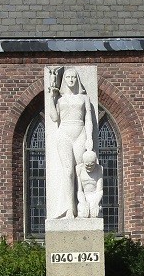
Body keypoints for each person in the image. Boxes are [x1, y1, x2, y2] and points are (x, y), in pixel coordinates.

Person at [45, 67, 97, 219]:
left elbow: (88, 119)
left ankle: (84, 208)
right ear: (64, 80)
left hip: (80, 132)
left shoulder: (84, 98)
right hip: (64, 133)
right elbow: (54, 118)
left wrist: (89, 138)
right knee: (68, 172)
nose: (71, 80)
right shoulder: (60, 99)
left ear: (77, 79)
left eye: (73, 77)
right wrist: (51, 97)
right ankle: (69, 209)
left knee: (80, 170)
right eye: (68, 77)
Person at [75, 150, 104, 219]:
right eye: (87, 165)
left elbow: (99, 190)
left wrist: (96, 203)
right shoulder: (79, 169)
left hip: (95, 197)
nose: (89, 167)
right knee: (83, 214)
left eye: (92, 165)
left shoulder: (99, 169)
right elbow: (80, 190)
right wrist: (83, 202)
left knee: (95, 214)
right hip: (84, 196)